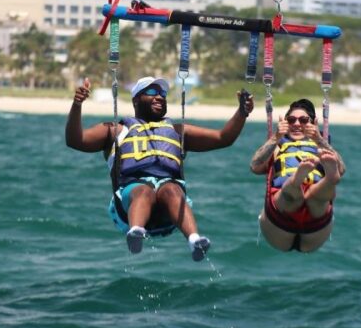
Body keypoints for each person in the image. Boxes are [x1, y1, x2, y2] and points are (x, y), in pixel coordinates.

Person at [66, 75, 254, 261]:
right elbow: (75, 141)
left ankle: (195, 240)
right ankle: (136, 232)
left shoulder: (178, 131)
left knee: (172, 189)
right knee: (144, 190)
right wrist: (77, 105)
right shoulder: (116, 130)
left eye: (163, 93)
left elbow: (223, 138)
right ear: (136, 100)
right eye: (151, 91)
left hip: (169, 208)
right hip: (128, 204)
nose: (159, 97)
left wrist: (242, 112)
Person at [249, 98, 345, 253]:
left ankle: (329, 179)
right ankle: (296, 180)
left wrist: (319, 139)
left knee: (317, 197)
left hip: (315, 223)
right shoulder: (277, 145)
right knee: (291, 196)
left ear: (313, 123)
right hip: (280, 219)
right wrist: (276, 137)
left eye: (304, 120)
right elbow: (255, 166)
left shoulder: (321, 145)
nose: (297, 124)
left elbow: (341, 169)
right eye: (291, 120)